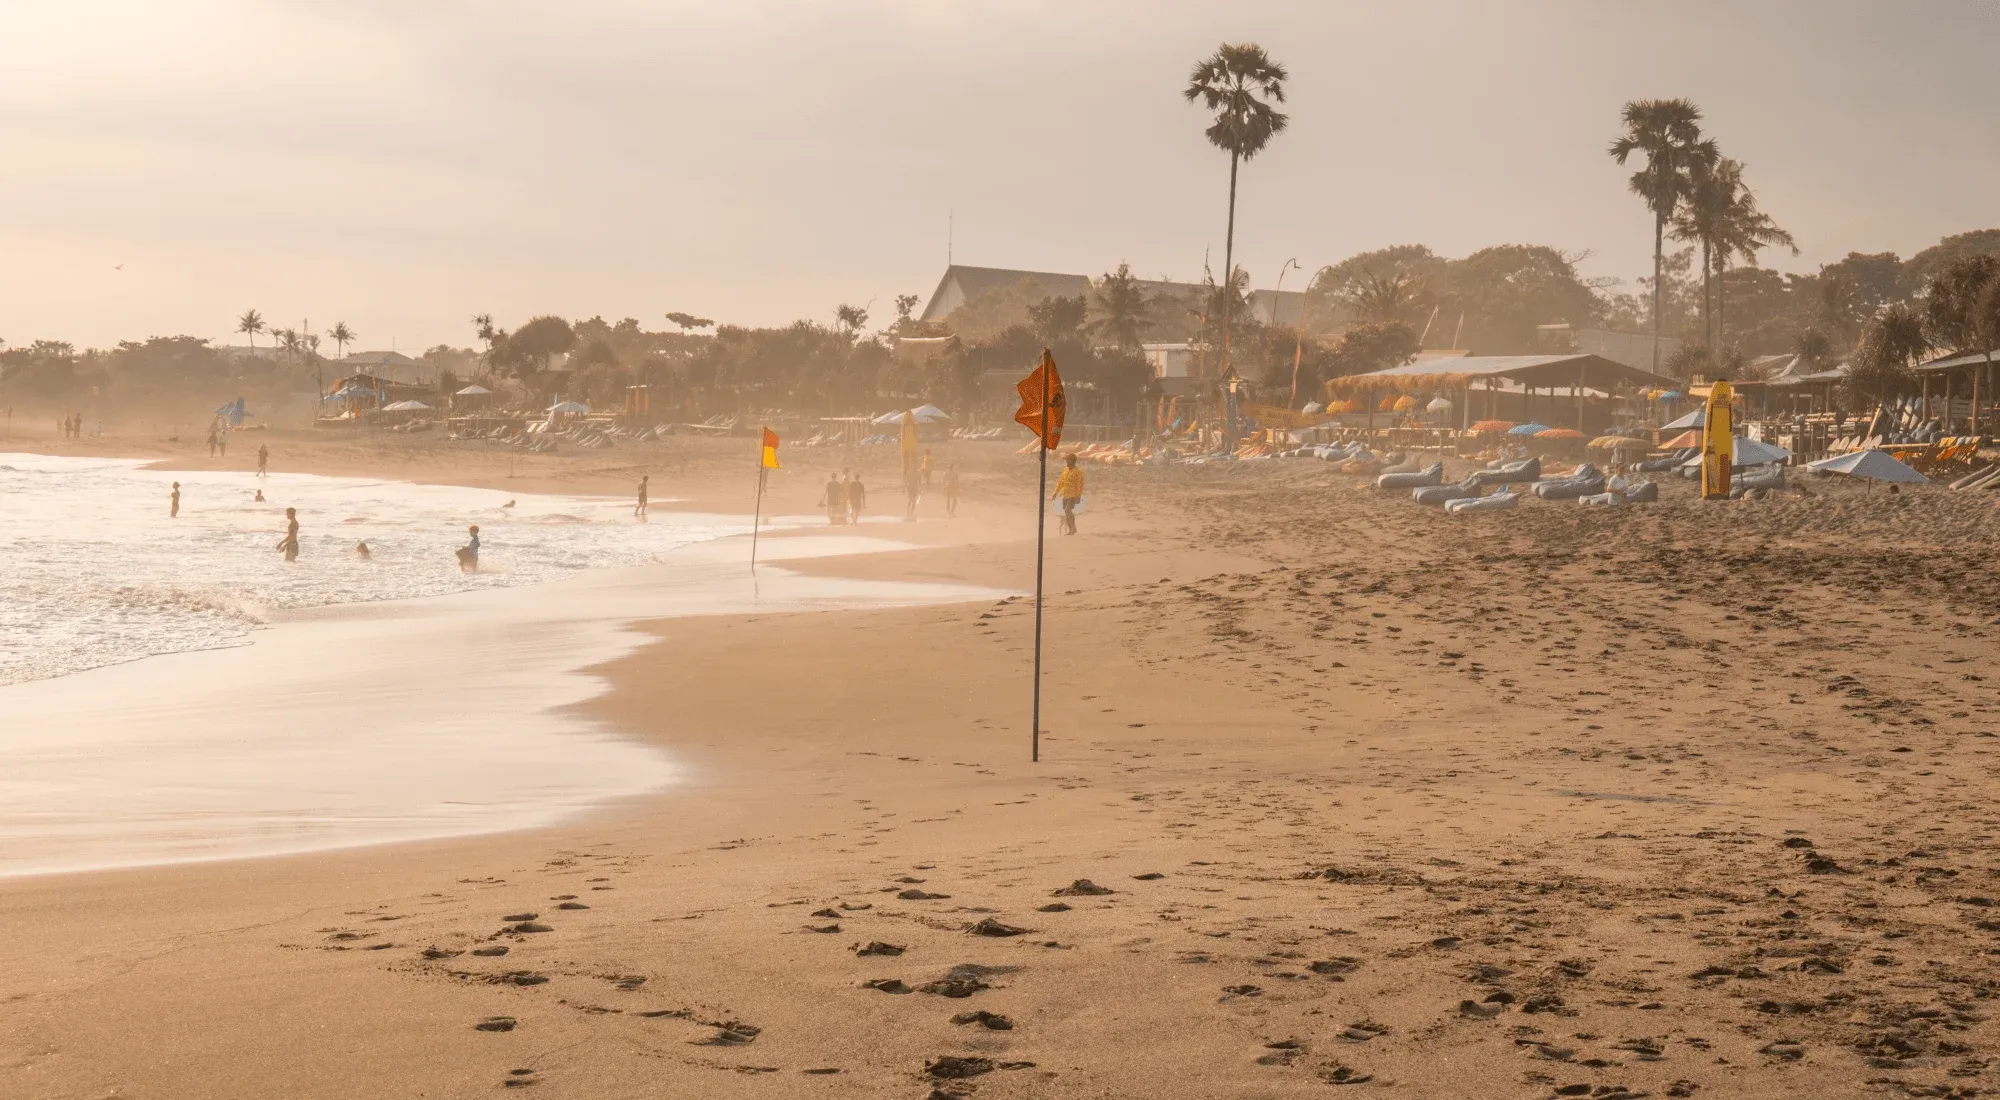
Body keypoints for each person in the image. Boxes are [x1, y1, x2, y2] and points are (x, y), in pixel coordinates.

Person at [1053, 453, 1084, 535]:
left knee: (1067, 510)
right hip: (1065, 494)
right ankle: (1073, 528)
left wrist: (1078, 496)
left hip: (1073, 495)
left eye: (1067, 460)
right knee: (1067, 512)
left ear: (1073, 461)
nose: (1066, 462)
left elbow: (1080, 485)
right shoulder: (1065, 470)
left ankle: (1072, 529)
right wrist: (1055, 493)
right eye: (1066, 460)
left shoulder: (1078, 472)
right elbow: (1060, 483)